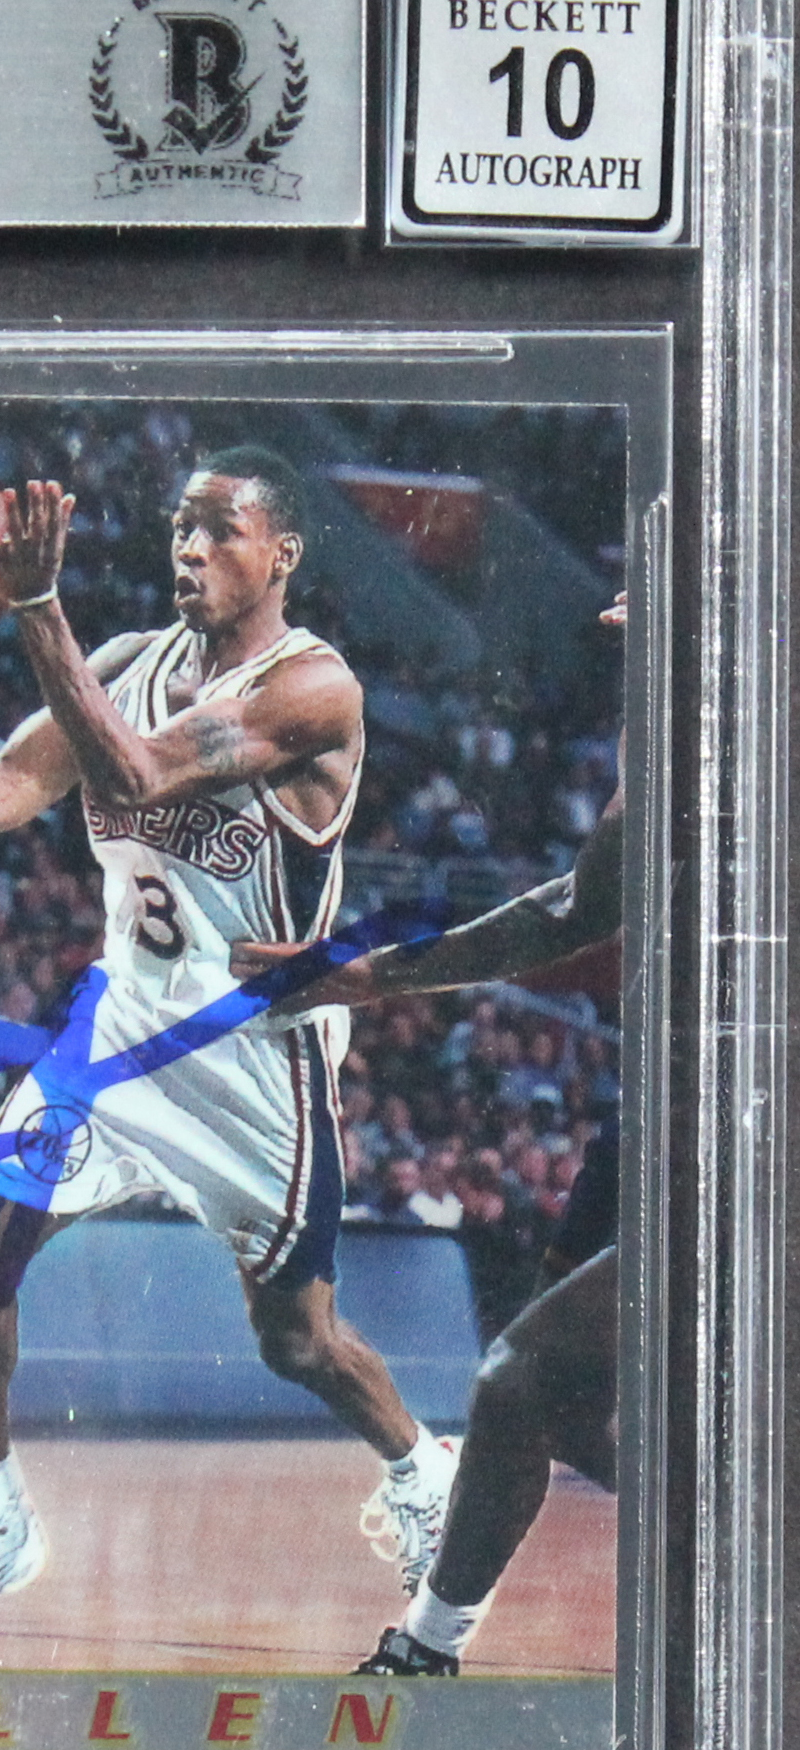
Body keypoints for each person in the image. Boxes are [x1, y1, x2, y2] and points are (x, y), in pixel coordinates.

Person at [0, 449, 457, 1655]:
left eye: (218, 529)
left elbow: (136, 774)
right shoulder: (126, 665)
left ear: (281, 553)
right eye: (179, 528)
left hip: (253, 1060)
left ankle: (419, 1471)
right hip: (119, 1034)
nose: (189, 548)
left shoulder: (317, 689)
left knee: (299, 1345)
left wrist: (38, 606)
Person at [240, 596, 626, 1676]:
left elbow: (571, 915)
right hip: (652, 1113)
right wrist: (371, 973)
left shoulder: (743, 749)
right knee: (562, 1411)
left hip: (745, 1127)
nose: (618, 612)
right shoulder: (670, 739)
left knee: (514, 1382)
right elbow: (571, 906)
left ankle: (427, 1649)